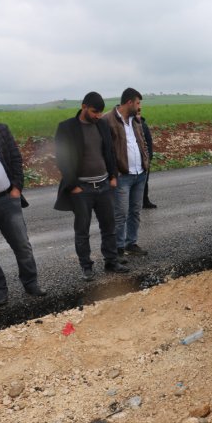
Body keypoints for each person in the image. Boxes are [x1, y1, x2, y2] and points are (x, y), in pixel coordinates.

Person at [54, 92, 129, 281]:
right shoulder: (67, 128)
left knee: (109, 227)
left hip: (104, 185)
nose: (97, 115)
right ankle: (86, 267)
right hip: (82, 190)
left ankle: (111, 261)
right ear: (84, 106)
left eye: (100, 112)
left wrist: (112, 176)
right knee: (82, 230)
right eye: (95, 111)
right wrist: (73, 186)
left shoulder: (102, 124)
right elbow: (62, 159)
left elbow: (110, 151)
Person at [0, 105, 46, 305]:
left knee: (22, 245)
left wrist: (16, 188)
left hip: (7, 199)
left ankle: (31, 283)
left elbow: (16, 159)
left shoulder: (0, 130)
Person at [101, 88, 150, 256]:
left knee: (135, 211)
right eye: (137, 103)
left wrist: (146, 162)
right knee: (120, 213)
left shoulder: (135, 120)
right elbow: (105, 149)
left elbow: (142, 142)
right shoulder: (107, 120)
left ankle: (131, 243)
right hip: (122, 176)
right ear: (129, 102)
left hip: (139, 174)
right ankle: (118, 248)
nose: (139, 107)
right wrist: (113, 173)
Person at [138, 109, 157, 209]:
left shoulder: (143, 124)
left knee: (145, 181)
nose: (138, 114)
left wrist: (149, 157)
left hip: (144, 159)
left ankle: (145, 201)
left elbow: (149, 141)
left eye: (139, 113)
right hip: (134, 161)